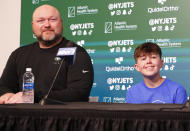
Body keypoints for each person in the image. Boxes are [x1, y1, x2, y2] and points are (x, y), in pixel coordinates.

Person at [0, 4, 94, 104]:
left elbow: (79, 93)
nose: (47, 25)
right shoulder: (19, 54)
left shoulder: (76, 52)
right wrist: (7, 95)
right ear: (33, 25)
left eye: (52, 20)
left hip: (61, 118)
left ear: (61, 23)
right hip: (23, 118)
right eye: (40, 21)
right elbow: (4, 86)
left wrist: (32, 97)